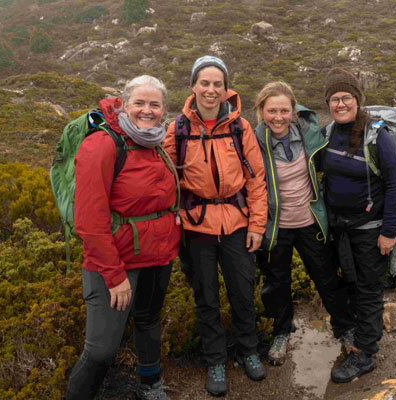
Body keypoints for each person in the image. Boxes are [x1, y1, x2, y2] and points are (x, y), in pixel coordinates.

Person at [66, 75, 180, 400]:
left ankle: (151, 385)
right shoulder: (102, 145)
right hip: (114, 264)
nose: (147, 110)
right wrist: (115, 277)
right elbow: (89, 221)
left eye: (155, 104)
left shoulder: (156, 141)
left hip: (157, 256)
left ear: (163, 109)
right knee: (101, 349)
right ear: (125, 105)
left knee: (148, 322)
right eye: (140, 103)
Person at [164, 56, 268, 397]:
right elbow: (167, 181)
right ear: (193, 86)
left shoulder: (240, 127)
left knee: (242, 291)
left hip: (237, 224)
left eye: (217, 84)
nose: (211, 90)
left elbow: (256, 179)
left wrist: (257, 225)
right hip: (196, 228)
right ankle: (215, 360)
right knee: (205, 296)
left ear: (226, 89)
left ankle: (248, 350)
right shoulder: (177, 129)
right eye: (204, 83)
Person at [253, 81, 351, 366]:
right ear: (261, 110)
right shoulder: (253, 142)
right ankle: (282, 332)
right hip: (275, 228)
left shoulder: (310, 135)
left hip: (310, 222)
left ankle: (345, 329)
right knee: (277, 283)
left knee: (327, 278)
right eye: (272, 111)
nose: (279, 117)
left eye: (285, 110)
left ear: (293, 110)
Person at [321, 68, 396, 383]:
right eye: (334, 99)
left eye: (346, 97)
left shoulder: (377, 136)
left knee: (369, 291)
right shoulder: (328, 133)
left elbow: (394, 186)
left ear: (357, 100)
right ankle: (356, 337)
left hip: (371, 230)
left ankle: (366, 355)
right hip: (338, 228)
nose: (340, 104)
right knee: (349, 285)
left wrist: (389, 232)